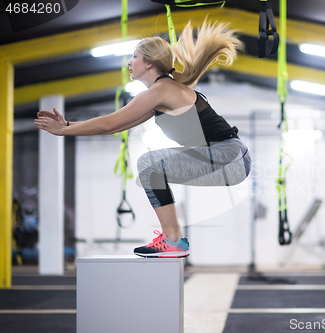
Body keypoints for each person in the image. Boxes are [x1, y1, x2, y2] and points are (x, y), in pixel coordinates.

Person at [35, 20, 251, 258]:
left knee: (149, 166)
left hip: (229, 157)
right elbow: (113, 126)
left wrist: (64, 130)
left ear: (149, 63)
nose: (129, 61)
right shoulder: (160, 94)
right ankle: (174, 240)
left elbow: (109, 123)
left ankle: (173, 240)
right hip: (232, 160)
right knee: (150, 167)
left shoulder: (159, 91)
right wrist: (66, 125)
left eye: (135, 56)